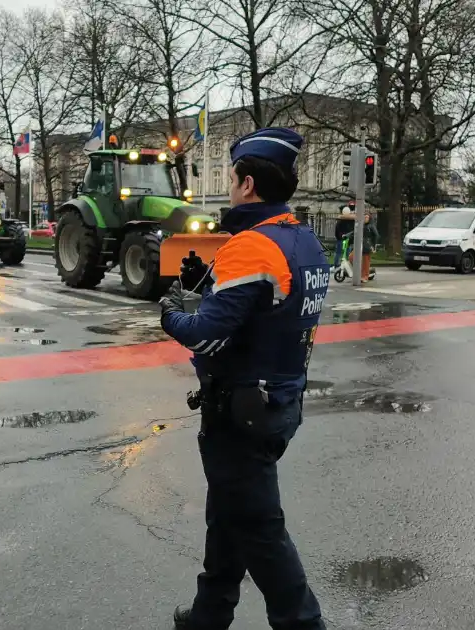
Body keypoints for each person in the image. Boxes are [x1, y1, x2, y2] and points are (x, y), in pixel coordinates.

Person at [158, 127, 328, 630]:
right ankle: (209, 615)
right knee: (228, 511)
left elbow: (206, 335)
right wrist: (207, 284)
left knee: (260, 531)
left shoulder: (251, 246)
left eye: (232, 178)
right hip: (279, 402)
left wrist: (170, 312)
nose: (230, 188)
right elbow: (266, 310)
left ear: (248, 184)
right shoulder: (303, 240)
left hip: (240, 411)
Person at [333, 205, 355, 270]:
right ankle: (347, 265)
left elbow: (337, 230)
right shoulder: (351, 221)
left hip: (341, 238)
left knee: (339, 252)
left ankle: (336, 265)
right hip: (347, 238)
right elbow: (352, 230)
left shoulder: (340, 220)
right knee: (347, 252)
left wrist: (339, 237)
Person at [361, 211, 379, 283]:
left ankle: (365, 276)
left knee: (366, 261)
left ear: (369, 218)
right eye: (364, 217)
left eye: (366, 217)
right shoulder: (361, 225)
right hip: (360, 245)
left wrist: (373, 246)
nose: (365, 218)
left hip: (367, 246)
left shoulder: (371, 226)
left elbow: (376, 235)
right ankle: (361, 273)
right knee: (351, 257)